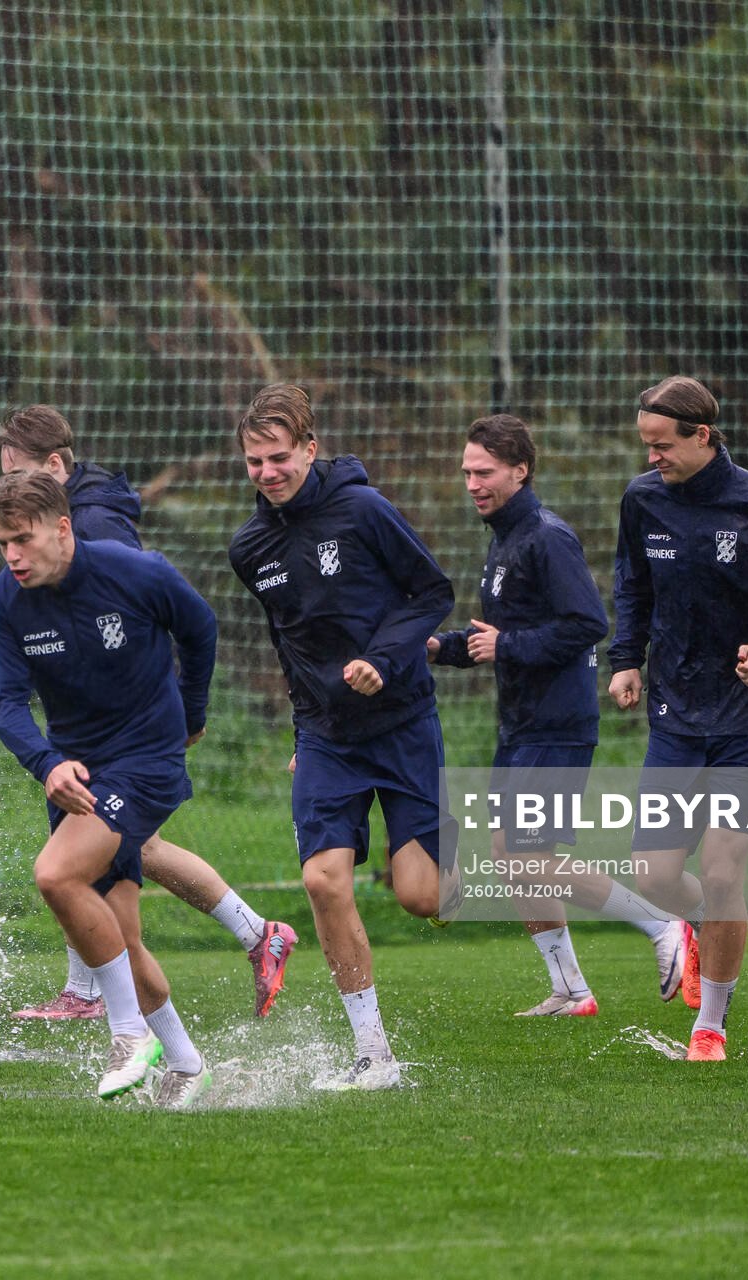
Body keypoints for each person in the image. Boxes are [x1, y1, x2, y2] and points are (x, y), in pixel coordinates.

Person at [0, 404, 297, 1021]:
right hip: (91, 739)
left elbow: (148, 618)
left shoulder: (94, 527)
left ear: (54, 468)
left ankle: (98, 995)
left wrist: (180, 711)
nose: (7, 489)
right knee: (118, 858)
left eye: (17, 472)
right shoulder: (32, 555)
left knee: (82, 862)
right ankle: (249, 940)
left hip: (132, 738)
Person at [227, 384, 455, 1090]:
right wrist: (305, 726)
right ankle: (374, 1055)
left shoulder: (364, 510)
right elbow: (289, 643)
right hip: (326, 735)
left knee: (423, 896)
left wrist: (382, 660)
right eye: (255, 461)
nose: (268, 472)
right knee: (323, 880)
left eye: (279, 458)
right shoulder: (249, 547)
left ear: (310, 449)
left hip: (403, 722)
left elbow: (432, 593)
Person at [429, 414, 689, 1016]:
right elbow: (500, 636)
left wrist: (507, 645)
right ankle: (570, 989)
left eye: (484, 472)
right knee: (510, 857)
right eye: (467, 473)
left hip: (557, 725)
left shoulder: (547, 537)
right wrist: (440, 647)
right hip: (521, 725)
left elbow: (586, 623)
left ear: (520, 470)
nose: (472, 484)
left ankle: (663, 927)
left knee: (529, 857)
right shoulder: (503, 538)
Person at [608, 376, 748, 1062]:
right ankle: (704, 926)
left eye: (662, 444)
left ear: (702, 435)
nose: (652, 457)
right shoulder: (642, 500)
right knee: (653, 876)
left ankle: (710, 1026)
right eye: (646, 444)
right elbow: (632, 586)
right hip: (676, 718)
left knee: (725, 871)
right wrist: (626, 660)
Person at [0, 469, 216, 1106]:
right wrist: (47, 764)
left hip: (148, 761)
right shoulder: (5, 599)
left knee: (56, 874)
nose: (12, 556)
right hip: (77, 775)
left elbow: (200, 629)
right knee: (117, 935)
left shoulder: (136, 572)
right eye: (3, 543)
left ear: (63, 529)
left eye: (23, 539)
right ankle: (187, 1064)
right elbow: (5, 704)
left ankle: (128, 1036)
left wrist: (191, 714)